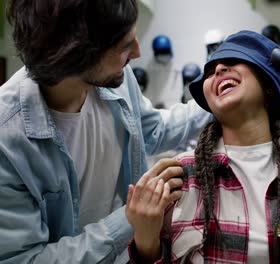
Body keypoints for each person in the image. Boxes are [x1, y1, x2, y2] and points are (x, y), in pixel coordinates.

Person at [0, 0, 211, 263]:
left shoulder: (114, 76)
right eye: (124, 46)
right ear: (76, 55)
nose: (136, 52)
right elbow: (23, 259)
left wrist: (213, 102)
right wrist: (130, 219)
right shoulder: (7, 140)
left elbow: (152, 130)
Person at [125, 30, 280, 264]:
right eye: (210, 71)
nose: (217, 70)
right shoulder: (181, 176)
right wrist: (145, 240)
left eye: (232, 60)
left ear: (268, 84)